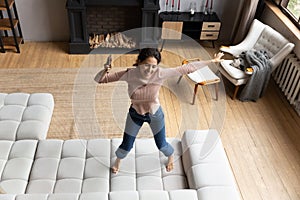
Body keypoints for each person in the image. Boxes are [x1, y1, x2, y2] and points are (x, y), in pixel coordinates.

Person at [94, 48, 224, 174]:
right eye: (146, 65)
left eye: (154, 66)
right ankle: (118, 162)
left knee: (161, 145)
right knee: (127, 145)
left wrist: (212, 61)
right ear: (139, 62)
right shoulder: (129, 74)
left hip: (155, 115)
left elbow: (188, 68)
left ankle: (171, 156)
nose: (150, 70)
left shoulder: (160, 73)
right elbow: (99, 79)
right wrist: (105, 69)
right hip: (135, 115)